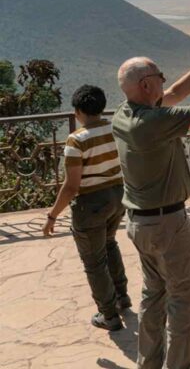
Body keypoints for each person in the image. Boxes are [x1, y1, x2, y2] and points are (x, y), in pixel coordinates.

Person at [113, 42, 190, 369]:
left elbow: (174, 93)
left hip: (139, 224)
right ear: (145, 85)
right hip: (167, 225)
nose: (163, 81)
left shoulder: (124, 115)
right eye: (159, 77)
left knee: (153, 296)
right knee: (185, 302)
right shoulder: (153, 124)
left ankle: (149, 363)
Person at [42, 85, 129, 331]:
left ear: (78, 111)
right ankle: (122, 298)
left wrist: (52, 216)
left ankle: (109, 315)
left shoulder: (76, 140)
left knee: (94, 261)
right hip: (117, 196)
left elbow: (71, 186)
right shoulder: (115, 129)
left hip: (90, 205)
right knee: (110, 243)